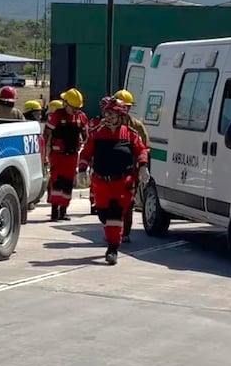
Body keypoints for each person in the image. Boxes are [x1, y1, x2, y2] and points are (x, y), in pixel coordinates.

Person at [77, 96, 149, 265]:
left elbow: (141, 150)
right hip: (101, 182)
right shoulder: (96, 134)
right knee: (103, 214)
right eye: (107, 114)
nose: (108, 117)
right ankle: (112, 232)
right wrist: (81, 169)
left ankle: (112, 249)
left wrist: (144, 166)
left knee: (115, 215)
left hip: (122, 182)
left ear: (121, 117)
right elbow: (86, 153)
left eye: (112, 114)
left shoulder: (130, 135)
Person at [44, 88, 89, 220]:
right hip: (57, 155)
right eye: (73, 108)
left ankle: (63, 211)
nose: (75, 111)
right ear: (65, 104)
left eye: (77, 108)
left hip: (72, 155)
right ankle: (54, 211)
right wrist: (44, 154)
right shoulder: (57, 115)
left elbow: (87, 135)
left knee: (68, 183)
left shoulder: (81, 117)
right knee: (56, 181)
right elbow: (46, 134)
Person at [113, 89, 150, 241]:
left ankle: (125, 233)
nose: (124, 109)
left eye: (127, 106)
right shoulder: (104, 126)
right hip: (109, 171)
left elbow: (145, 148)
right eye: (121, 106)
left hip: (129, 172)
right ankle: (113, 231)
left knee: (128, 202)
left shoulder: (137, 127)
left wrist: (143, 167)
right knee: (110, 204)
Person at [23, 100, 47, 212]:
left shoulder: (35, 126)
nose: (40, 116)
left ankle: (31, 201)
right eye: (37, 114)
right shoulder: (26, 127)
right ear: (31, 113)